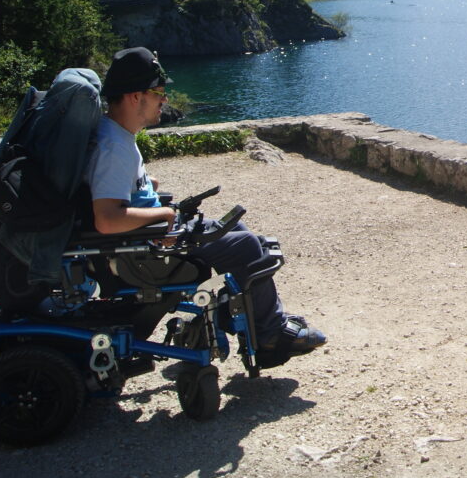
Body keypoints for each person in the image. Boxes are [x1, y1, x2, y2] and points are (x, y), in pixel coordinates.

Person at [85, 47, 326, 363]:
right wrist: (165, 212)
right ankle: (269, 334)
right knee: (248, 247)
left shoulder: (116, 135)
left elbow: (118, 192)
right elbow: (106, 219)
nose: (165, 99)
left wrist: (147, 186)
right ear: (134, 97)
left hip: (148, 238)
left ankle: (247, 316)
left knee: (238, 229)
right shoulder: (114, 147)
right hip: (146, 251)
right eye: (158, 92)